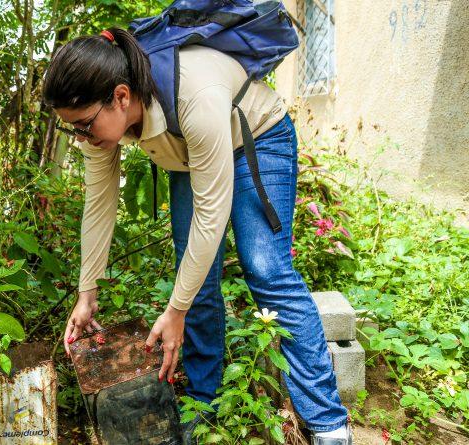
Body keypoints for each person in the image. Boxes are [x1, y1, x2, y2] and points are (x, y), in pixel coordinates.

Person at [42, 27, 352, 444]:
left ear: (120, 96)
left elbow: (212, 214)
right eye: (72, 129)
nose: (81, 137)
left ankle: (328, 424)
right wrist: (86, 291)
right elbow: (99, 204)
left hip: (257, 137)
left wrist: (176, 309)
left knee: (266, 269)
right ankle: (203, 405)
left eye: (83, 125)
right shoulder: (100, 121)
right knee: (196, 282)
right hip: (189, 155)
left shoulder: (194, 94)